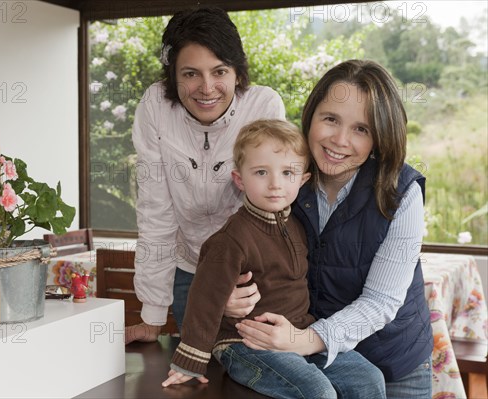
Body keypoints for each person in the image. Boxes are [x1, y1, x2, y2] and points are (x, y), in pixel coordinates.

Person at [227, 60, 433, 398]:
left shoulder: (401, 191)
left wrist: (305, 340)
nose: (340, 140)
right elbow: (249, 247)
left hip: (393, 359)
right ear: (311, 116)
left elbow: (381, 300)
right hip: (312, 359)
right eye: (331, 119)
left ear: (379, 138)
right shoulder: (285, 172)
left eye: (361, 129)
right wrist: (232, 294)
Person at [161, 119, 386, 399]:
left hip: (298, 333)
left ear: (303, 180)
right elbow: (204, 298)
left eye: (288, 172)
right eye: (261, 172)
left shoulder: (298, 225)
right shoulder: (231, 239)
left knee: (368, 379)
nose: (275, 184)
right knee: (317, 392)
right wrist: (190, 360)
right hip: (244, 344)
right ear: (239, 180)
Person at [127, 6, 285, 344]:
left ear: (237, 73)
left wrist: (224, 280)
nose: (206, 88)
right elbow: (156, 213)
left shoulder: (263, 107)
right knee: (195, 379)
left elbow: (268, 209)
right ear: (173, 75)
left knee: (253, 377)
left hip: (250, 274)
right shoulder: (156, 106)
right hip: (189, 269)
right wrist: (153, 315)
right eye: (190, 74)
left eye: (219, 71)